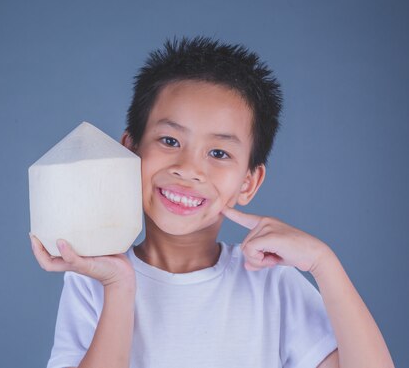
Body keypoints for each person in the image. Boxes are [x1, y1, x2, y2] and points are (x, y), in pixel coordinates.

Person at [30, 37, 394, 368]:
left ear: (248, 183)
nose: (188, 169)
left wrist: (323, 263)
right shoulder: (95, 279)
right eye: (170, 141)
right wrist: (120, 287)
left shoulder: (273, 286)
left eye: (218, 152)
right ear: (129, 150)